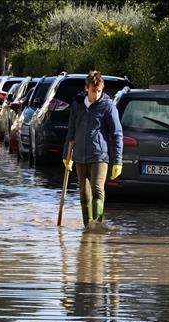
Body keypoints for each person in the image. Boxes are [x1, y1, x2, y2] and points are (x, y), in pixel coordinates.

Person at [62, 70, 123, 230]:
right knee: (84, 192)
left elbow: (116, 133)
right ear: (86, 88)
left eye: (99, 91)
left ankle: (98, 224)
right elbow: (71, 130)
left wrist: (117, 161)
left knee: (97, 187)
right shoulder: (78, 104)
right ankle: (87, 225)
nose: (96, 94)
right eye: (93, 90)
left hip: (99, 155)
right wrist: (66, 155)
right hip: (80, 155)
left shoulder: (107, 106)